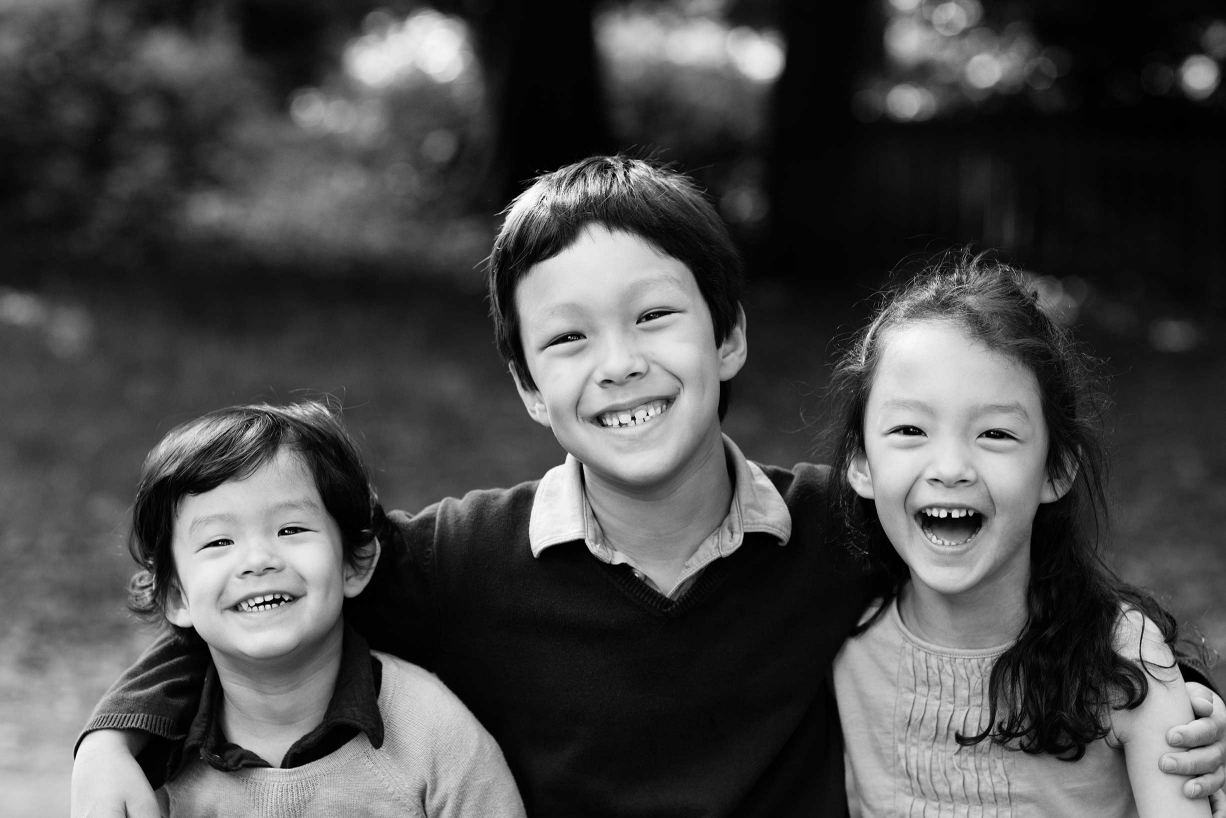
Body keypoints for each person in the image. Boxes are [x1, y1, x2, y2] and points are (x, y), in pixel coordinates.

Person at [72, 157, 1226, 818]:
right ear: (527, 387)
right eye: (566, 339)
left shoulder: (846, 525)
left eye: (656, 315)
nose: (618, 361)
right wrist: (112, 735)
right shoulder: (465, 559)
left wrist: (1180, 694)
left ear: (726, 338)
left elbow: (1031, 572)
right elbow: (267, 588)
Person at [828, 252, 1216, 816]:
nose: (951, 466)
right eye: (910, 428)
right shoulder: (839, 634)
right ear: (861, 463)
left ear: (1055, 470)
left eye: (995, 433)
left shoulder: (1122, 663)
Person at [122, 401, 525, 816]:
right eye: (219, 542)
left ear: (356, 563)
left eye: (290, 528)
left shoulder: (434, 735)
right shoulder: (149, 765)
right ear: (175, 597)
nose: (258, 559)